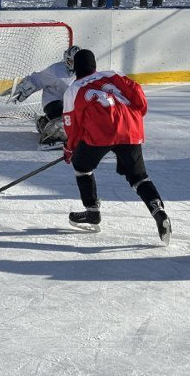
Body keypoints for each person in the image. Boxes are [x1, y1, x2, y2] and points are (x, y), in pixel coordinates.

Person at [61, 49, 171, 244]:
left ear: (75, 67)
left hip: (100, 134)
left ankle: (92, 212)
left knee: (82, 167)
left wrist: (70, 149)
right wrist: (134, 119)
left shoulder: (73, 89)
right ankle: (158, 211)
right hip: (130, 128)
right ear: (94, 65)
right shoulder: (114, 74)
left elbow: (72, 125)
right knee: (139, 177)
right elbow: (138, 96)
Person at [2, 45, 81, 149]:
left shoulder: (87, 71)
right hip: (54, 100)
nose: (75, 65)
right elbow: (37, 79)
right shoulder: (56, 69)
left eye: (78, 62)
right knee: (61, 117)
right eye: (71, 61)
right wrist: (23, 87)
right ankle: (43, 123)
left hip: (72, 103)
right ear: (66, 59)